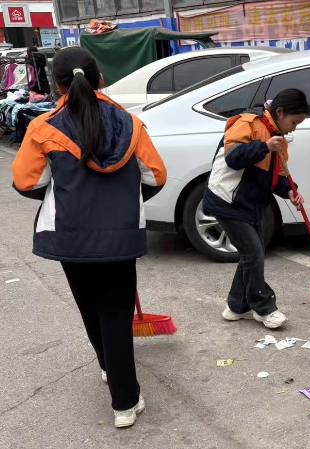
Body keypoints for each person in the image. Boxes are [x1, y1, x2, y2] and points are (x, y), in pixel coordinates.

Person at [12, 47, 167, 428]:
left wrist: (61, 187)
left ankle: (106, 366)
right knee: (116, 315)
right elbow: (156, 176)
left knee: (90, 308)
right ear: (100, 79)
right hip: (121, 237)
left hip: (71, 237)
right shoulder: (130, 123)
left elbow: (26, 181)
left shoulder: (43, 126)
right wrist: (124, 201)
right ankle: (125, 403)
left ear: (57, 84)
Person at [203, 88, 307, 329]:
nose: (294, 128)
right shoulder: (247, 123)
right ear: (279, 112)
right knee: (254, 253)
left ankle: (237, 307)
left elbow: (276, 175)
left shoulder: (278, 137)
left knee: (253, 253)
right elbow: (233, 158)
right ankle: (264, 307)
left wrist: (290, 191)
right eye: (294, 121)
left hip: (253, 203)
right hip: (226, 200)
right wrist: (264, 146)